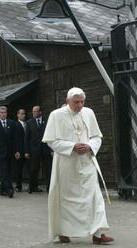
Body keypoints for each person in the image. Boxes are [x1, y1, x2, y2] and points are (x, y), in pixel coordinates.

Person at [42, 87, 113, 244]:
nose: (80, 105)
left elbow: (97, 136)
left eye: (82, 101)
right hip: (66, 164)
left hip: (87, 162)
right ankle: (63, 232)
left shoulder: (89, 113)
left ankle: (98, 234)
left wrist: (90, 146)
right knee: (65, 200)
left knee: (95, 197)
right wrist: (72, 146)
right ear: (67, 101)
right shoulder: (56, 115)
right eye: (76, 102)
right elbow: (51, 141)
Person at [0, 106, 19, 198]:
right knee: (4, 170)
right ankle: (9, 189)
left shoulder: (12, 123)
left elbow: (15, 138)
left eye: (5, 112)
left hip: (10, 151)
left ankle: (3, 190)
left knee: (8, 171)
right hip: (0, 152)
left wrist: (17, 151)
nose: (3, 114)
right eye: (1, 113)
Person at [25, 106, 52, 193]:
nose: (34, 113)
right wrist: (26, 151)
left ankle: (49, 187)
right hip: (34, 150)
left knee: (48, 169)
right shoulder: (29, 122)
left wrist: (51, 149)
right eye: (33, 112)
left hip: (45, 149)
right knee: (34, 169)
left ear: (40, 112)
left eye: (36, 111)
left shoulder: (47, 121)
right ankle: (32, 187)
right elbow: (26, 138)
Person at [14, 109, 28, 192]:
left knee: (30, 168)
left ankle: (32, 186)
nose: (23, 115)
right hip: (19, 150)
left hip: (27, 150)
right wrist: (16, 151)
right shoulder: (15, 125)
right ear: (18, 115)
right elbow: (15, 139)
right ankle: (18, 186)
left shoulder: (27, 124)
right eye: (21, 114)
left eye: (24, 114)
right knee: (18, 169)